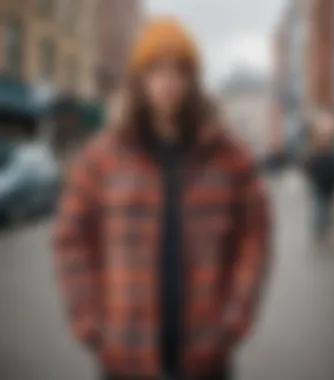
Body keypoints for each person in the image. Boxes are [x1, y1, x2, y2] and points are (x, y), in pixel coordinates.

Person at [54, 16, 270, 380]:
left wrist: (235, 316)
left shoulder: (229, 157)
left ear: (192, 80)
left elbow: (255, 236)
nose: (167, 82)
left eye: (178, 70)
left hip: (206, 350)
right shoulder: (102, 157)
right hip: (125, 351)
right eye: (156, 70)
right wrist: (88, 318)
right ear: (140, 80)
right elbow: (70, 238)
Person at [303, 110, 334, 243]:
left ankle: (325, 229)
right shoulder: (316, 156)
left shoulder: (333, 157)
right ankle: (319, 231)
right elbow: (308, 168)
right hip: (319, 188)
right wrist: (313, 181)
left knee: (328, 210)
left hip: (330, 188)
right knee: (319, 209)